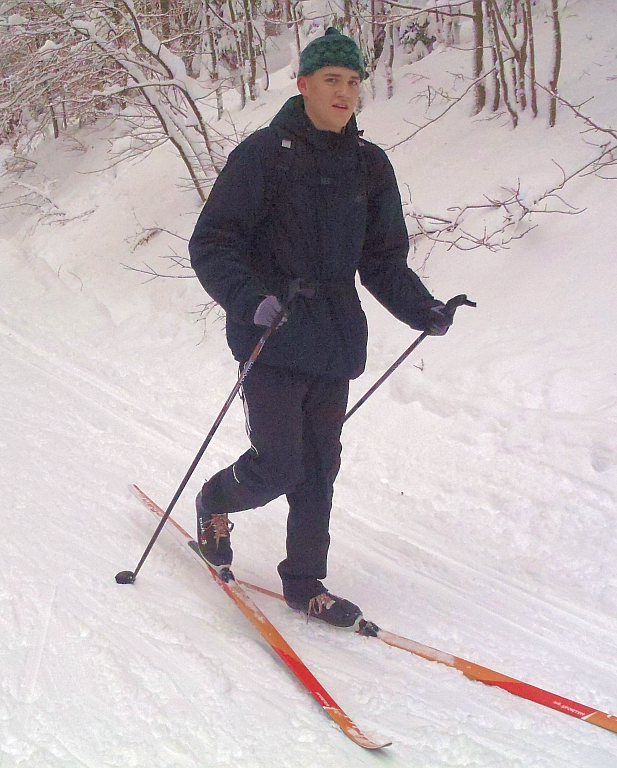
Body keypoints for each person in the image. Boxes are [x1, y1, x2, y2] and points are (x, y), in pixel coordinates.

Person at [188, 28, 471, 628]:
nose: (344, 92)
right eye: (331, 80)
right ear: (304, 85)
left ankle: (305, 582)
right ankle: (214, 500)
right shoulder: (263, 154)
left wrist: (423, 309)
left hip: (335, 338)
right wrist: (250, 299)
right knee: (279, 465)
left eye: (352, 81)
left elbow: (382, 259)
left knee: (319, 467)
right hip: (272, 334)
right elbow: (212, 242)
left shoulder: (369, 165)